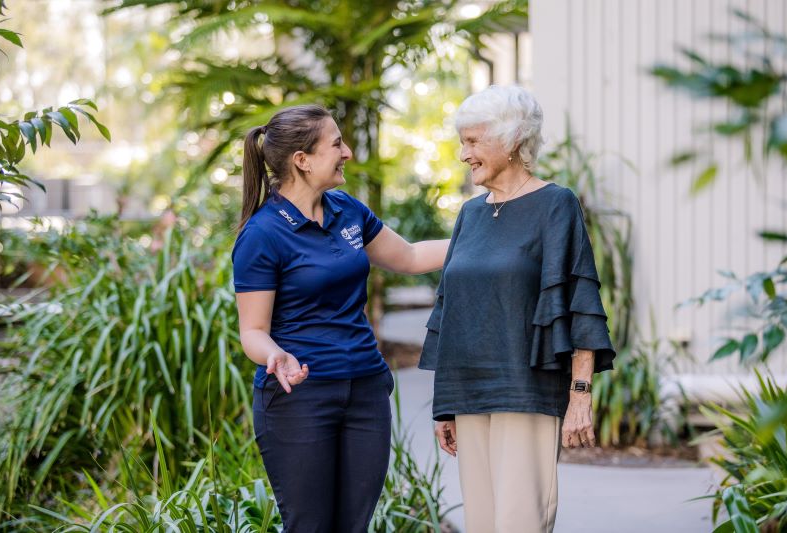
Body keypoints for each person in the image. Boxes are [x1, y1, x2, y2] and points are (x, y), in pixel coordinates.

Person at [232, 104, 449, 533]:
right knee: (310, 526)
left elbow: (407, 256)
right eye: (336, 144)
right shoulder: (263, 234)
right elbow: (253, 331)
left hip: (366, 392)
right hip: (300, 400)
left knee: (355, 525)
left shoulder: (346, 209)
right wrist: (276, 356)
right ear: (302, 160)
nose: (347, 152)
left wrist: (481, 232)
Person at [420, 85, 616, 533]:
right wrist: (445, 406)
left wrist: (580, 394)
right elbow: (451, 311)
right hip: (470, 396)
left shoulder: (555, 205)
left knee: (519, 523)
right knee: (482, 524)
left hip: (526, 391)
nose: (463, 153)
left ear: (511, 141)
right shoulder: (469, 214)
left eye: (473, 141)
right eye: (462, 141)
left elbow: (579, 300)